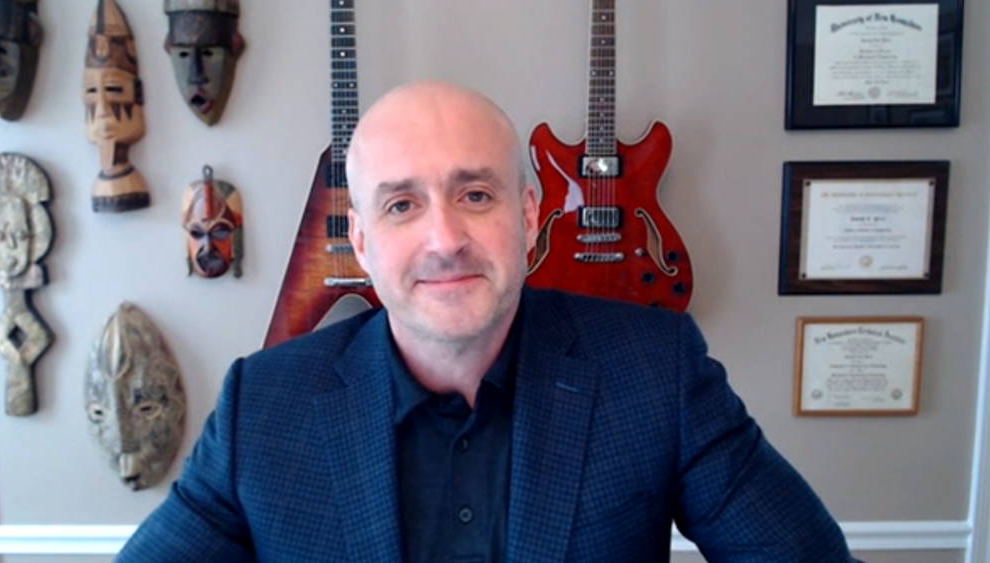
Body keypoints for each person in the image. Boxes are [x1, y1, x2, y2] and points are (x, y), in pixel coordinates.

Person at [115, 80, 863, 562]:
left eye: (476, 194)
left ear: (530, 216)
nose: (445, 239)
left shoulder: (654, 372)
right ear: (365, 244)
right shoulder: (263, 407)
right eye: (402, 204)